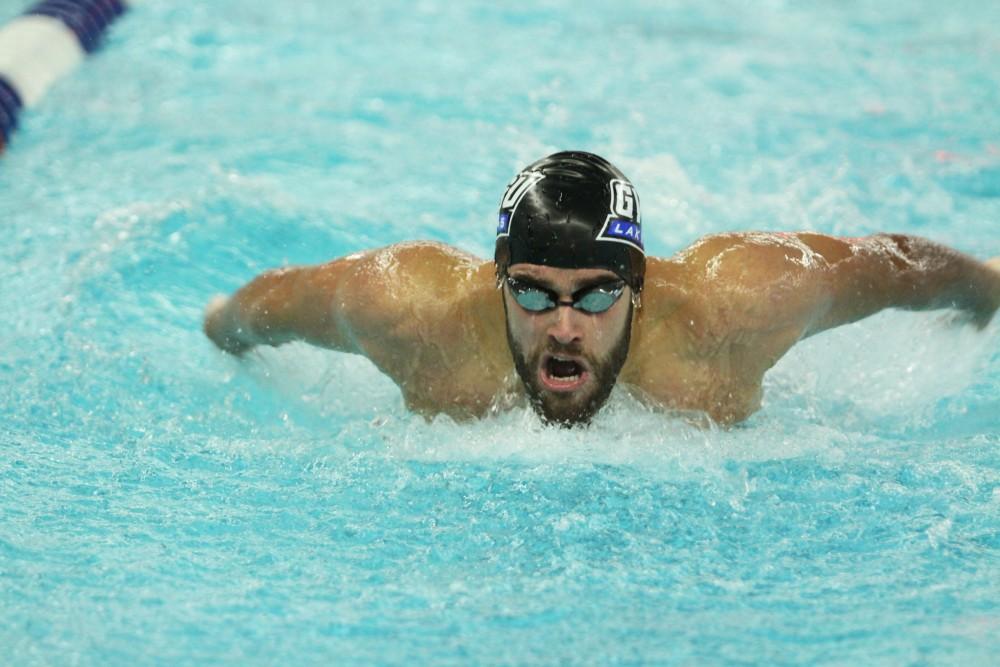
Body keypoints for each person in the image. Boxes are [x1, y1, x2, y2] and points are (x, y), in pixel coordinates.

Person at [203, 151, 1000, 426]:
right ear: (493, 281)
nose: (562, 328)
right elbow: (259, 308)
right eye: (532, 293)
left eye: (592, 296)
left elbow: (885, 266)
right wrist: (223, 327)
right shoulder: (407, 313)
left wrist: (986, 288)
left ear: (640, 289)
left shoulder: (737, 308)